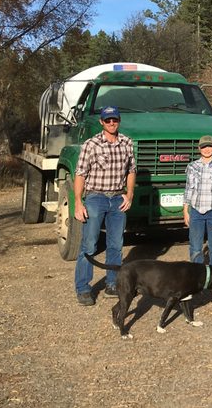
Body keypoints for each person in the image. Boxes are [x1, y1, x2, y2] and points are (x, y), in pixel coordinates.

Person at [74, 105, 136, 306]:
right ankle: (83, 288)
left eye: (114, 120)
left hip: (118, 199)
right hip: (95, 198)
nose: (111, 123)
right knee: (90, 244)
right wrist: (78, 202)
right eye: (107, 120)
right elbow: (80, 174)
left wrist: (130, 194)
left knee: (116, 245)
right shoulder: (91, 145)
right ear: (101, 122)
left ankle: (112, 284)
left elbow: (131, 171)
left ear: (119, 121)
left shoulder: (127, 143)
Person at [183, 135, 212, 270]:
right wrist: (186, 211)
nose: (207, 149)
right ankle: (196, 277)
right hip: (196, 211)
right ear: (199, 149)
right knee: (195, 247)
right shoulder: (192, 166)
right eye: (204, 147)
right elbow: (188, 189)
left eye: (209, 146)